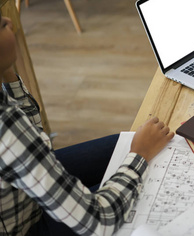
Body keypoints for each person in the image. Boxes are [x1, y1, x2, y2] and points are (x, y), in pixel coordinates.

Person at [0, 12, 174, 235]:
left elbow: (33, 134)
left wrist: (6, 72)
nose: (10, 22)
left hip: (23, 196)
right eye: (1, 23)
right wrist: (140, 155)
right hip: (27, 226)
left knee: (126, 145)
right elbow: (99, 221)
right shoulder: (6, 126)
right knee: (143, 185)